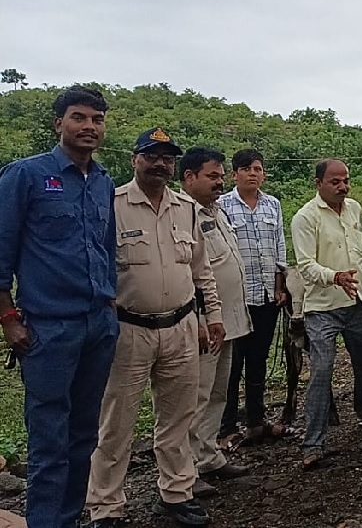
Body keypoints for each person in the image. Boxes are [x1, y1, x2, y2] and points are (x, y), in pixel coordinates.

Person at [86, 128, 224, 527]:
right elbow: (96, 268)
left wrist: (211, 316)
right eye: (152, 155)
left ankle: (176, 493)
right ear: (135, 159)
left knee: (178, 418)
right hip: (129, 329)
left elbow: (201, 270)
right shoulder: (112, 205)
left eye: (167, 158)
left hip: (181, 325)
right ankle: (106, 506)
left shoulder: (186, 208)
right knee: (116, 422)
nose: (160, 163)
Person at [0, 86, 118, 528]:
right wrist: (10, 319)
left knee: (83, 436)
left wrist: (110, 308)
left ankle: (68, 519)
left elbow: (107, 252)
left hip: (98, 326)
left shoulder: (103, 182)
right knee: (49, 440)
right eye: (79, 117)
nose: (89, 126)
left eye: (97, 120)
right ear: (59, 123)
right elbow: (2, 252)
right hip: (48, 328)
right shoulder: (26, 176)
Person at [291, 159, 362, 471]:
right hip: (323, 308)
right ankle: (313, 443)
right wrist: (335, 277)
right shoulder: (305, 218)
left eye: (345, 180)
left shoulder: (353, 209)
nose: (342, 187)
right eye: (335, 182)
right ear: (318, 183)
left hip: (359, 302)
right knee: (321, 370)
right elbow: (305, 265)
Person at [178, 147, 252, 498]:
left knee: (220, 391)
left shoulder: (218, 212)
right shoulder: (180, 213)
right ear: (189, 177)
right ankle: (185, 470)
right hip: (202, 321)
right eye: (212, 176)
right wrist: (201, 317)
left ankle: (208, 455)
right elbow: (189, 273)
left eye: (221, 176)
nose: (219, 182)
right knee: (196, 393)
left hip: (229, 318)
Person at [217, 149, 288, 446]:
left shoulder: (272, 205)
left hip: (266, 296)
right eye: (246, 169)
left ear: (264, 173)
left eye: (257, 168)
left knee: (258, 360)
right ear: (234, 174)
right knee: (232, 365)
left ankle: (257, 421)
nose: (252, 174)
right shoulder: (221, 206)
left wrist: (281, 286)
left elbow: (279, 247)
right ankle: (227, 427)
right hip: (235, 300)